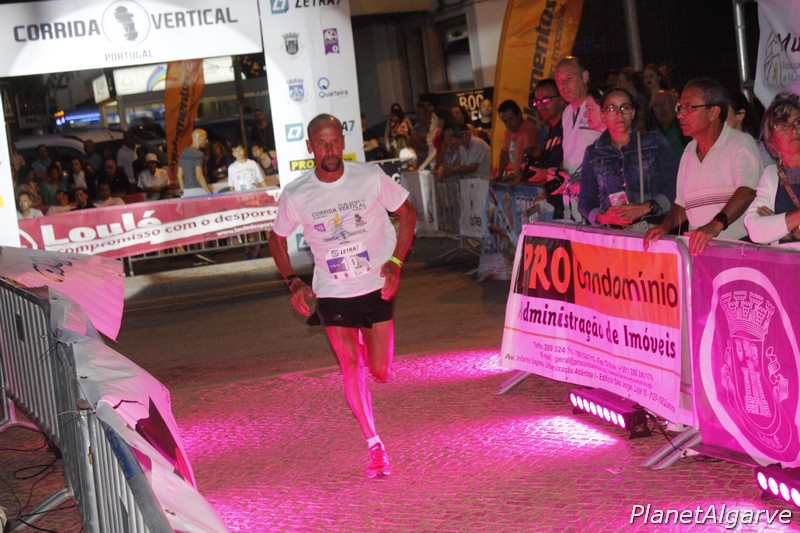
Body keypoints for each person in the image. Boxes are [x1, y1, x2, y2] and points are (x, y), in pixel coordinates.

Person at [268, 114, 416, 479]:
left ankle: (366, 351)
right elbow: (276, 239)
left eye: (335, 142)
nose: (330, 150)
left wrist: (396, 262)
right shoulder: (297, 193)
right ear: (310, 147)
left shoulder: (369, 177)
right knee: (351, 366)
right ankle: (375, 445)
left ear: (344, 143)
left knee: (380, 370)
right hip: (333, 291)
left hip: (376, 284)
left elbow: (408, 214)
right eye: (321, 144)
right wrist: (294, 282)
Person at [643, 77, 762, 255]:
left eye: (689, 107)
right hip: (703, 252)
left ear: (713, 112)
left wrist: (714, 225)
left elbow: (747, 191)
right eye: (680, 107)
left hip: (739, 251)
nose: (680, 115)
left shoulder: (741, 143)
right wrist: (665, 226)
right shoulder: (688, 152)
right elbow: (681, 204)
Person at [577, 88, 678, 228]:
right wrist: (603, 217)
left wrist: (648, 207)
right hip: (614, 233)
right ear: (603, 116)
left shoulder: (654, 142)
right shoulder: (593, 153)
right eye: (611, 109)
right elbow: (585, 200)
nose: (619, 114)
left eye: (625, 107)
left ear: (633, 113)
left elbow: (675, 185)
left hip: (653, 229)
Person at [744, 92, 800, 244]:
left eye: (798, 121)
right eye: (782, 125)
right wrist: (792, 229)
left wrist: (779, 226)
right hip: (785, 258)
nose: (793, 129)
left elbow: (768, 230)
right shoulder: (771, 174)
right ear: (772, 137)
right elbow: (755, 230)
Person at [554, 56, 602, 220]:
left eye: (569, 79)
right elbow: (570, 155)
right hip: (571, 199)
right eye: (559, 81)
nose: (563, 85)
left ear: (585, 76)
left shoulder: (598, 106)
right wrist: (557, 172)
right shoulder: (567, 112)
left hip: (595, 198)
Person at [493, 99, 540, 183]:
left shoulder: (529, 130)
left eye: (510, 119)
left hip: (532, 179)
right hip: (520, 177)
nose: (508, 123)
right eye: (504, 121)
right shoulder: (508, 132)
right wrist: (499, 175)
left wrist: (520, 177)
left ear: (519, 114)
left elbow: (528, 156)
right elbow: (505, 154)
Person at [650, 89, 690, 159]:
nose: (662, 108)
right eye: (658, 104)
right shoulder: (652, 132)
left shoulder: (684, 128)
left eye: (666, 103)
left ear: (675, 105)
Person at [177, 128, 211, 197]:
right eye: (205, 138)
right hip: (199, 190)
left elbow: (179, 175)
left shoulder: (184, 153)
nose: (207, 141)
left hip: (187, 191)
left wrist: (183, 191)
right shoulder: (199, 154)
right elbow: (199, 176)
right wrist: (209, 193)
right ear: (199, 138)